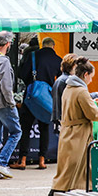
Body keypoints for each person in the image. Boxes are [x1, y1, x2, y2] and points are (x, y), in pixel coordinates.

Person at [42, 57, 98, 196]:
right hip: (78, 135)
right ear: (85, 74)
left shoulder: (69, 88)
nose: (91, 80)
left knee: (78, 168)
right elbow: (93, 114)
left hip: (70, 133)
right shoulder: (81, 91)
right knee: (69, 171)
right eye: (91, 76)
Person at [13, 36, 62, 170]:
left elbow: (22, 74)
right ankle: (42, 160)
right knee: (44, 128)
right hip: (47, 99)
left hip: (31, 97)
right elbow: (61, 81)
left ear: (42, 45)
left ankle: (22, 160)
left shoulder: (33, 56)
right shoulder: (58, 60)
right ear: (53, 46)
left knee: (25, 128)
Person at [0, 31, 22, 180]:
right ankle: (1, 163)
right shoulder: (4, 61)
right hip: (3, 103)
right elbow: (7, 86)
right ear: (8, 44)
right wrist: (11, 103)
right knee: (16, 132)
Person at [51, 53, 78, 134]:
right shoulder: (68, 81)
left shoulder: (59, 79)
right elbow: (75, 97)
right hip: (65, 119)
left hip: (58, 117)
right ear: (73, 66)